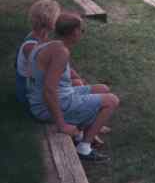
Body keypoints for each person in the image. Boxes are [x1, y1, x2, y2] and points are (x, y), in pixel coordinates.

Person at [28, 12, 119, 161]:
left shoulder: (46, 44)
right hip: (46, 106)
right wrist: (62, 125)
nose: (82, 34)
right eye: (82, 30)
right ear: (74, 32)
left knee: (102, 89)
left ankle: (81, 133)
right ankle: (84, 148)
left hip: (51, 97)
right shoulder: (60, 52)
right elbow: (49, 90)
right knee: (112, 101)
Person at [15, 0, 61, 104]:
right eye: (57, 17)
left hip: (36, 85)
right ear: (50, 21)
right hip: (29, 93)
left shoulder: (36, 36)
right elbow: (45, 75)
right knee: (75, 84)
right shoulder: (31, 46)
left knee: (76, 83)